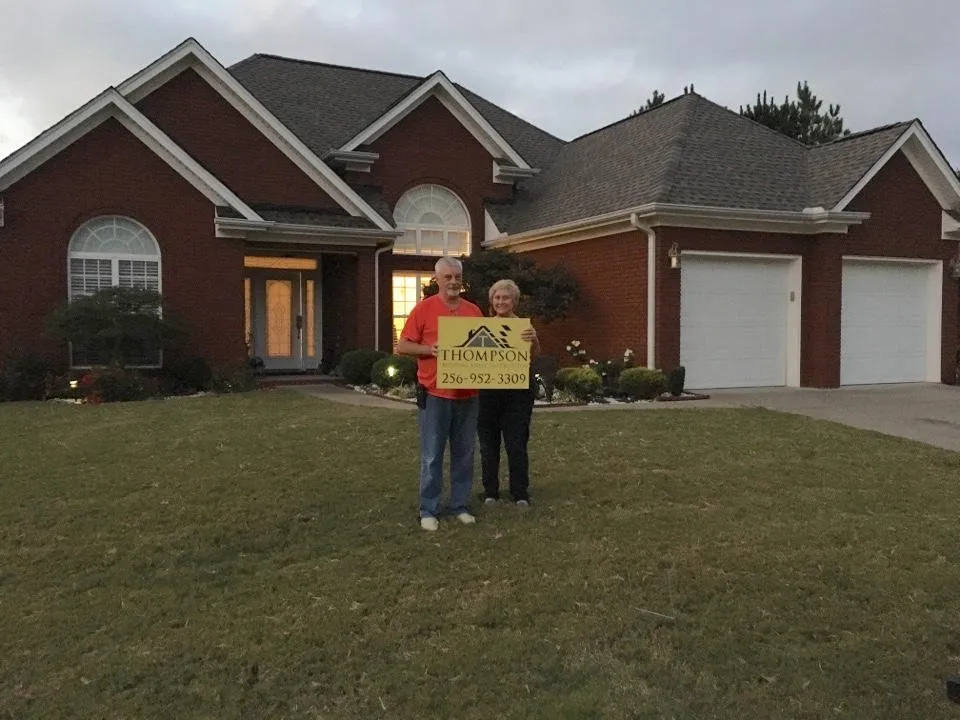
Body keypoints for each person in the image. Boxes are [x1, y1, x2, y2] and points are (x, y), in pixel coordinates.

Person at [396, 257, 483, 531]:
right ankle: (429, 509)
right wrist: (429, 350)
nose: (454, 282)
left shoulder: (473, 311)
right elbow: (403, 346)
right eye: (448, 277)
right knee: (432, 454)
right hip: (435, 392)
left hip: (468, 394)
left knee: (464, 453)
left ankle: (459, 505)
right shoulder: (424, 310)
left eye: (457, 277)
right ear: (437, 280)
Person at [477, 279, 539, 506]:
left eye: (506, 297)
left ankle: (520, 492)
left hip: (518, 394)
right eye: (497, 297)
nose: (501, 301)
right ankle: (490, 491)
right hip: (488, 393)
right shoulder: (481, 327)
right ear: (492, 301)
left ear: (514, 301)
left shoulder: (525, 327)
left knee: (516, 444)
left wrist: (533, 340)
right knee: (487, 445)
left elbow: (533, 358)